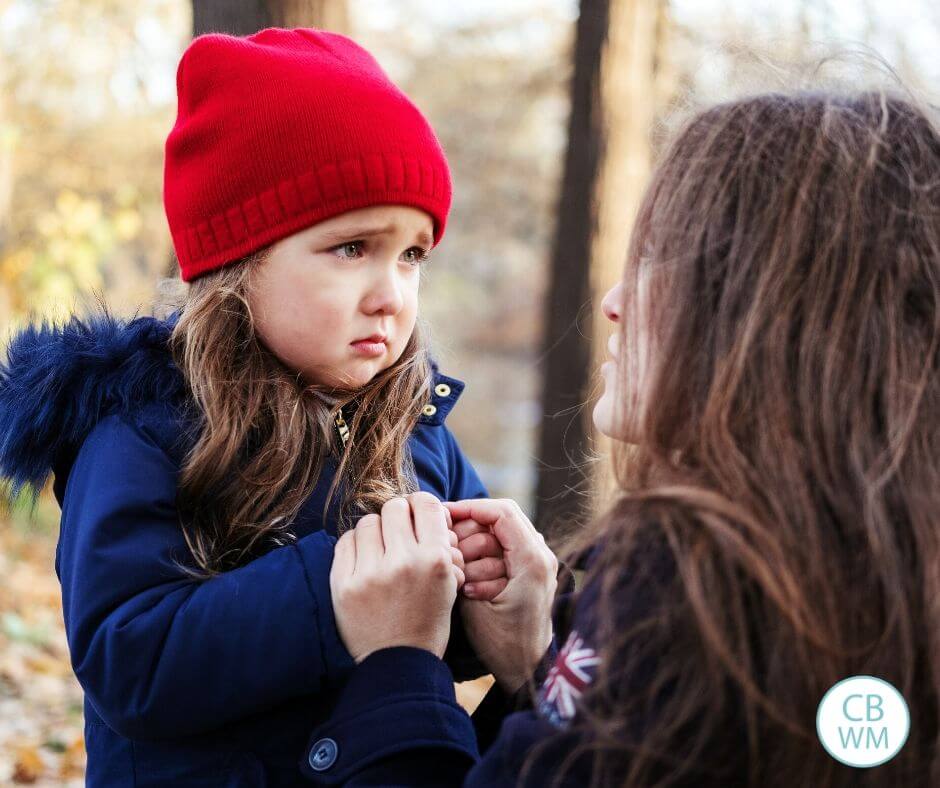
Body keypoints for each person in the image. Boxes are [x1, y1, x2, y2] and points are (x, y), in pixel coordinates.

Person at [301, 89, 940, 786]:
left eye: (663, 259)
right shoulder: (874, 567)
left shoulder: (693, 588)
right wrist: (537, 665)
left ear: (771, 313)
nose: (613, 301)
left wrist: (398, 665)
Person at [0, 28, 504, 787]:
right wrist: (332, 597)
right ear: (240, 260)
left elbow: (440, 632)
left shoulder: (416, 430)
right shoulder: (145, 431)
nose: (390, 294)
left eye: (412, 255)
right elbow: (129, 659)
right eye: (351, 248)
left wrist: (494, 595)